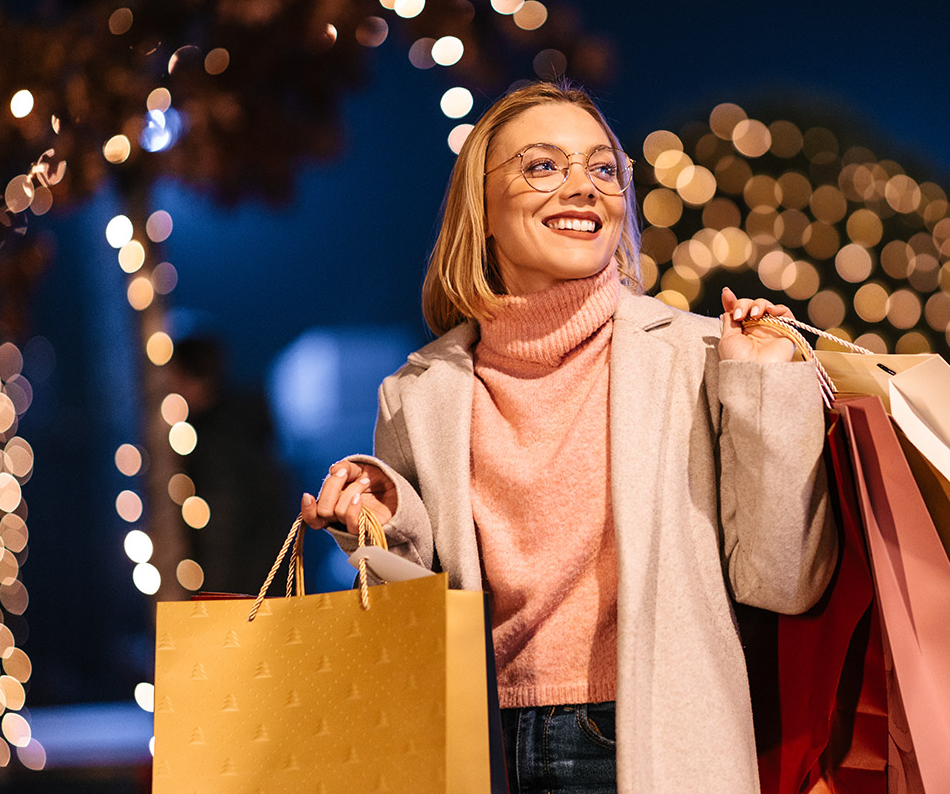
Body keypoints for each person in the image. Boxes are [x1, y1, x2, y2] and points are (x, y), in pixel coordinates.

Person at [300, 80, 837, 793]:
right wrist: (381, 520)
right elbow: (413, 605)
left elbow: (784, 580)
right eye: (543, 166)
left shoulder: (706, 358)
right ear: (481, 210)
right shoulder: (418, 394)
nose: (583, 187)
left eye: (603, 168)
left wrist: (763, 391)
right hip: (476, 744)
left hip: (651, 741)